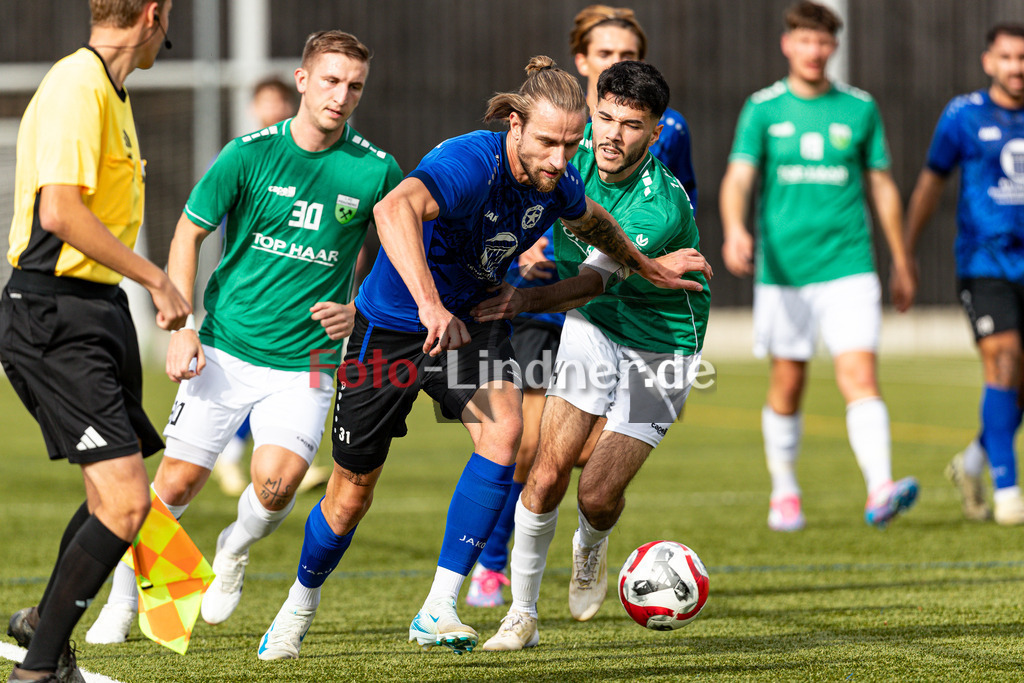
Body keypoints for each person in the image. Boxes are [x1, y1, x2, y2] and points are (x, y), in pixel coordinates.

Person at [256, 55, 710, 660]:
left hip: (471, 323)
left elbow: (596, 224)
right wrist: (427, 305)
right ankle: (299, 603)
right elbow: (393, 210)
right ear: (515, 125)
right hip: (391, 329)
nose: (561, 158)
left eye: (571, 144)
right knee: (350, 493)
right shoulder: (470, 160)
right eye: (549, 142)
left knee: (506, 432)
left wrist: (648, 266)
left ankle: (439, 606)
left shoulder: (563, 178)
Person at [83, 30, 402, 645]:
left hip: (307, 359)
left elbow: (402, 252)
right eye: (331, 80)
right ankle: (121, 606)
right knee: (173, 485)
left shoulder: (375, 168)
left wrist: (358, 310)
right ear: (304, 81)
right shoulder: (248, 154)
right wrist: (182, 327)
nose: (342, 95)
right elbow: (186, 234)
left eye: (355, 85)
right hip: (226, 345)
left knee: (278, 486)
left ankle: (233, 548)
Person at [466, 1, 702, 610]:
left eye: (632, 125)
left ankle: (591, 547)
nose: (613, 136)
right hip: (592, 330)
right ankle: (520, 616)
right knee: (543, 474)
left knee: (595, 495)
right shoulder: (570, 162)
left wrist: (518, 300)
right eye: (606, 118)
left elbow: (595, 280)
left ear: (657, 131)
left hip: (661, 342)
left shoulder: (660, 206)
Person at [0, 1, 188, 681]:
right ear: (151, 13)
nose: (165, 38)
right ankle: (38, 667)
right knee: (127, 502)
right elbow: (60, 210)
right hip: (54, 315)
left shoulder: (109, 89)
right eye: (167, 24)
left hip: (94, 309)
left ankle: (42, 624)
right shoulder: (77, 86)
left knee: (112, 493)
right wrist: (155, 279)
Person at [718, 0, 918, 532]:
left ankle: (880, 487)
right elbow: (738, 177)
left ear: (834, 47)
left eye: (824, 42)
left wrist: (901, 259)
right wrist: (735, 228)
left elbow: (881, 185)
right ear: (788, 44)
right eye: (805, 40)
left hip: (849, 266)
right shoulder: (763, 108)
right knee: (787, 383)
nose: (814, 50)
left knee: (860, 375)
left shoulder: (860, 108)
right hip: (783, 273)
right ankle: (785, 490)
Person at [904, 23, 1024, 526]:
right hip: (985, 263)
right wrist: (905, 253)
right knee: (1004, 362)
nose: (1017, 66)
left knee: (1017, 382)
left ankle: (970, 463)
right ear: (988, 61)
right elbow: (931, 184)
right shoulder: (963, 115)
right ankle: (1009, 492)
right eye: (1008, 57)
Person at [211, 75, 333, 499]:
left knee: (318, 376)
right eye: (264, 102)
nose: (273, 109)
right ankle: (228, 458)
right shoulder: (246, 157)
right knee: (248, 383)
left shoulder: (330, 163)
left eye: (278, 101)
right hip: (258, 302)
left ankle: (298, 453)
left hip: (316, 304)